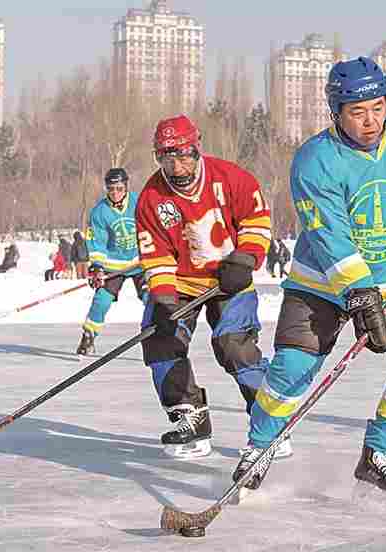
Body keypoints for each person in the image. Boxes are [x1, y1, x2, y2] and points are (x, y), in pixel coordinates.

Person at [232, 57, 386, 507]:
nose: (371, 121)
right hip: (321, 282)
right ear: (336, 112)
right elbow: (330, 235)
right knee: (293, 368)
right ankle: (258, 447)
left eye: (378, 108)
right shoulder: (315, 160)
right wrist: (359, 294)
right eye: (358, 112)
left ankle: (380, 454)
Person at [135, 114, 291, 460]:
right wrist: (164, 299)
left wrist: (245, 259)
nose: (176, 166)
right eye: (166, 158)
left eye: (183, 155)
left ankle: (271, 421)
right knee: (161, 341)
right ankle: (189, 417)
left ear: (196, 148)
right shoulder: (151, 198)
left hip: (229, 278)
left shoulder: (231, 178)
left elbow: (256, 220)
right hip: (182, 282)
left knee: (234, 345)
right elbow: (156, 254)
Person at [76, 168, 146, 355]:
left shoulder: (139, 202)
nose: (115, 193)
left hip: (140, 262)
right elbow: (97, 244)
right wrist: (97, 268)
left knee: (152, 297)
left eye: (119, 188)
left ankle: (160, 334)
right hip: (114, 265)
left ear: (126, 187)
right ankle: (89, 335)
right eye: (111, 189)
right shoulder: (99, 212)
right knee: (102, 300)